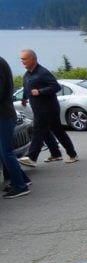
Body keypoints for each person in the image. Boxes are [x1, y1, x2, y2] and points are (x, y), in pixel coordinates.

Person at [18, 48, 78, 167]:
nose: (22, 61)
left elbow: (56, 87)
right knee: (54, 132)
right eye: (21, 59)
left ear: (33, 59)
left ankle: (31, 157)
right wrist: (24, 98)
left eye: (25, 59)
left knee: (38, 131)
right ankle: (58, 154)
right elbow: (27, 88)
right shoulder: (27, 74)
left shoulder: (42, 72)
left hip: (48, 108)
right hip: (38, 108)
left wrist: (40, 91)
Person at [0, 56, 31, 199]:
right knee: (5, 151)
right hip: (6, 114)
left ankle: (20, 186)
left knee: (6, 152)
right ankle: (23, 179)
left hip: (3, 115)